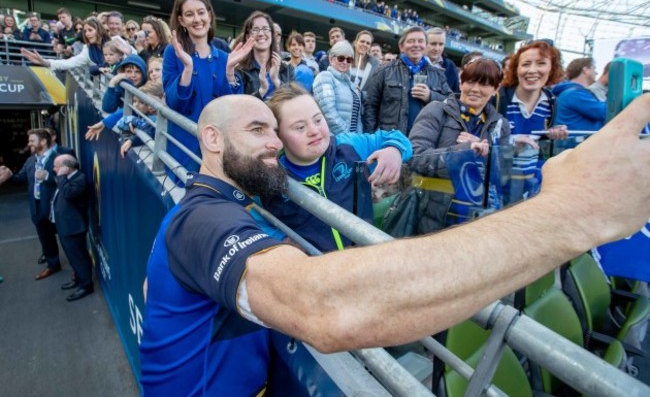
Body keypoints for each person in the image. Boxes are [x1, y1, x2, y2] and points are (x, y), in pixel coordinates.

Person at [139, 91, 650, 393]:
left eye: (279, 129)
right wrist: (570, 215)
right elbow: (324, 305)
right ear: (212, 140)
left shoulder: (229, 205)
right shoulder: (201, 218)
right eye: (259, 130)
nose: (276, 141)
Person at [264, 84, 411, 251]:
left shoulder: (348, 146)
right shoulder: (269, 174)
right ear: (278, 136)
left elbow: (395, 136)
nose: (314, 130)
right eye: (300, 127)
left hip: (364, 258)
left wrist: (395, 150)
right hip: (320, 271)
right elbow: (252, 214)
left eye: (318, 120)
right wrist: (280, 239)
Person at [409, 58, 510, 233]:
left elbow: (502, 176)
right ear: (461, 82)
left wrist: (487, 155)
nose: (476, 89)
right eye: (471, 81)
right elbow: (415, 157)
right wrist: (463, 152)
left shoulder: (501, 124)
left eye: (485, 84)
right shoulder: (436, 109)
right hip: (434, 214)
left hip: (480, 217)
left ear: (495, 89)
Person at [163, 0, 253, 176]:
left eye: (201, 12)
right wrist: (188, 69)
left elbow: (232, 107)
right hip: (185, 149)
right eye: (189, 14)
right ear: (181, 20)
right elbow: (174, 103)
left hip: (217, 148)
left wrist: (229, 71)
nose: (197, 19)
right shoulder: (173, 52)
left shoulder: (223, 57)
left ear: (209, 15)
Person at [363, 26, 452, 135]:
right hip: (390, 139)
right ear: (402, 46)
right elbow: (371, 106)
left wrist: (430, 96)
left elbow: (451, 102)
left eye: (420, 41)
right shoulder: (384, 71)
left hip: (423, 139)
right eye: (411, 41)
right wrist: (371, 136)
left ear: (425, 46)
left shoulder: (437, 74)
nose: (416, 45)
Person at [0, 129, 61, 278]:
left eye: (32, 140)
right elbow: (20, 179)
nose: (29, 143)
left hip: (56, 207)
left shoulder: (59, 158)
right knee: (45, 238)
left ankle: (77, 270)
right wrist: (9, 175)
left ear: (43, 142)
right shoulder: (30, 160)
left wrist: (47, 177)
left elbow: (69, 181)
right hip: (37, 206)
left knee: (67, 238)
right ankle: (53, 265)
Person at [496, 40, 568, 140]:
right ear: (516, 69)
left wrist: (550, 135)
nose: (532, 70)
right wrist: (512, 142)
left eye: (541, 63)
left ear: (552, 69)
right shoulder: (498, 97)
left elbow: (542, 144)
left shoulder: (551, 102)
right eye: (526, 64)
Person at [51, 154, 94, 301]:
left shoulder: (79, 179)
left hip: (74, 227)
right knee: (72, 256)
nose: (54, 169)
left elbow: (68, 194)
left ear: (66, 168)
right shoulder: (67, 178)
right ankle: (77, 279)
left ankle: (86, 285)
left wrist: (62, 177)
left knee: (79, 257)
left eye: (56, 166)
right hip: (65, 226)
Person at [233, 10, 293, 100]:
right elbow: (240, 107)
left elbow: (293, 103)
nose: (261, 34)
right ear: (248, 37)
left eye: (265, 29)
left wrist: (276, 81)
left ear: (272, 34)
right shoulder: (240, 71)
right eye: (255, 29)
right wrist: (262, 91)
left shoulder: (287, 69)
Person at [21, 17, 115, 72]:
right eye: (85, 31)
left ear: (99, 30)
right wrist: (44, 62)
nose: (87, 34)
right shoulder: (87, 50)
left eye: (90, 30)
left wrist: (129, 50)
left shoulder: (115, 41)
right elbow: (68, 63)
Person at [312, 40, 363, 134]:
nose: (345, 62)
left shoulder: (351, 85)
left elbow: (357, 118)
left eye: (349, 59)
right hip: (335, 141)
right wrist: (347, 136)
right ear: (331, 59)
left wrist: (359, 138)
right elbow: (328, 112)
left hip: (352, 141)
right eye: (341, 58)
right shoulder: (325, 77)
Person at [553, 57, 607, 132]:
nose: (596, 72)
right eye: (594, 68)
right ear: (585, 70)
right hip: (579, 142)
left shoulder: (569, 92)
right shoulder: (575, 94)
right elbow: (605, 112)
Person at [426, 27, 460, 93]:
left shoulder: (450, 66)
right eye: (433, 44)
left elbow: (455, 94)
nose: (437, 48)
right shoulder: (415, 62)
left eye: (441, 44)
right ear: (425, 43)